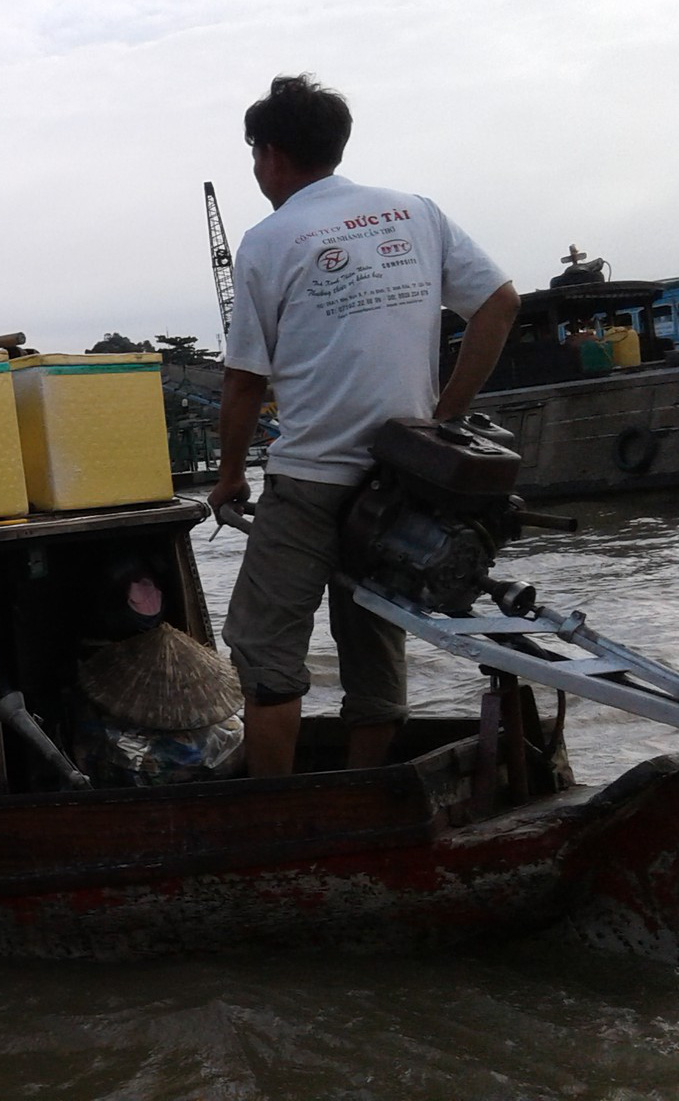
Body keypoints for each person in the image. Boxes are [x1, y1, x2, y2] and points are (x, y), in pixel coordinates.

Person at [207, 74, 521, 777]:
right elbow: (499, 303)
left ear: (271, 154)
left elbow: (244, 383)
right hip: (402, 479)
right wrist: (444, 419)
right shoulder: (417, 212)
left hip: (312, 478)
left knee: (265, 653)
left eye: (255, 152)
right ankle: (367, 796)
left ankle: (273, 818)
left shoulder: (268, 239)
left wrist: (229, 476)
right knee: (374, 641)